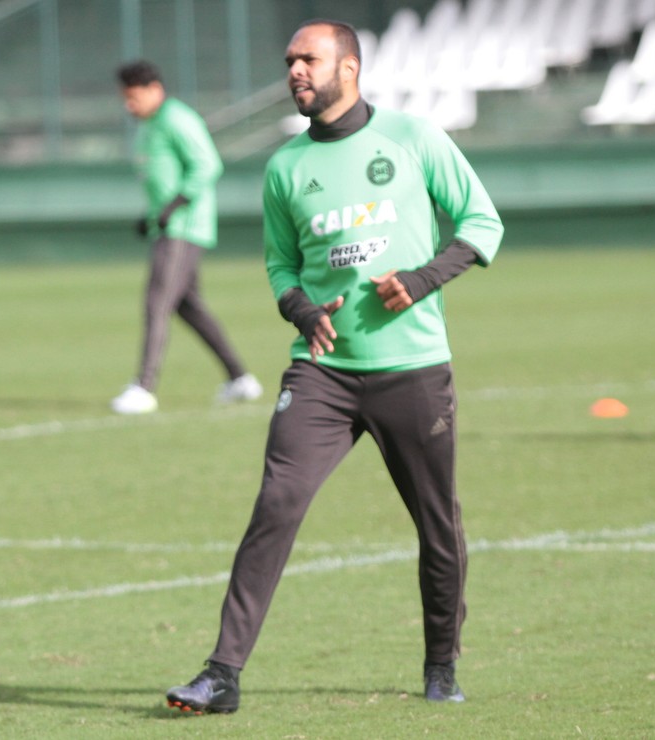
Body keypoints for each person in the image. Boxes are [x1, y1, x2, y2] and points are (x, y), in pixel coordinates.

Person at [165, 19, 503, 714]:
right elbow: (280, 263)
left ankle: (442, 664)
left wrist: (422, 278)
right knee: (276, 505)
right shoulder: (286, 166)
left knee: (437, 523)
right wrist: (298, 308)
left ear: (347, 68)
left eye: (308, 59)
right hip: (321, 373)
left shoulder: (413, 139)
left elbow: (481, 223)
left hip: (412, 369)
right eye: (289, 60)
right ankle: (222, 674)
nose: (294, 70)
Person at [110, 60, 261, 414]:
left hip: (183, 228)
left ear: (154, 90)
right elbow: (160, 179)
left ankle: (144, 387)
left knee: (156, 301)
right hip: (167, 225)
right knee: (188, 307)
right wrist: (151, 217)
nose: (128, 105)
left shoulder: (178, 119)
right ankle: (240, 378)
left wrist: (174, 205)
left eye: (133, 97)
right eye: (125, 98)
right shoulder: (149, 126)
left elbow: (208, 164)